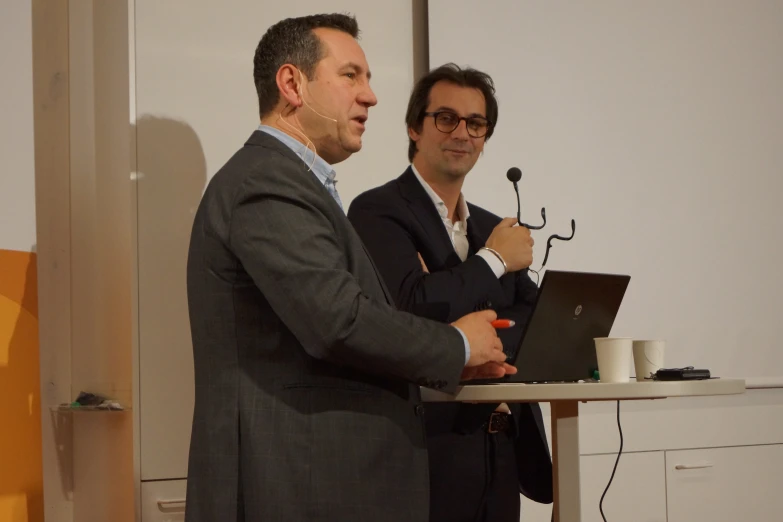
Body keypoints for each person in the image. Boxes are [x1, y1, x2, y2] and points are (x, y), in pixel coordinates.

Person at [184, 15, 516, 522]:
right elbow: (338, 322)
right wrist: (457, 344)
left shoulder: (292, 183)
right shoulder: (266, 181)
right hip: (292, 482)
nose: (370, 96)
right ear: (292, 84)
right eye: (350, 76)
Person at [347, 63, 554, 522]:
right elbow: (408, 307)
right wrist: (494, 261)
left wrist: (479, 343)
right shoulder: (376, 211)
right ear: (413, 128)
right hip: (426, 451)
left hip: (502, 445)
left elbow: (535, 319)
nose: (462, 132)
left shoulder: (489, 222)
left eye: (475, 123)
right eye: (445, 118)